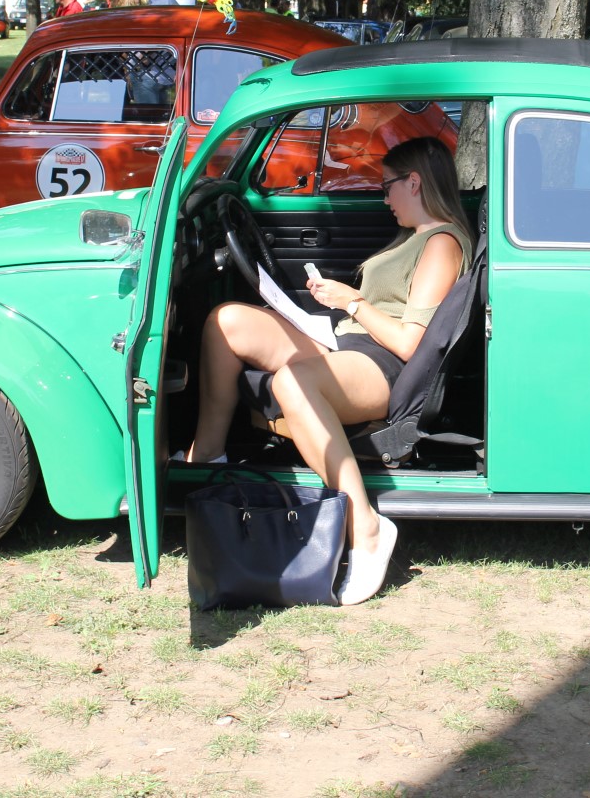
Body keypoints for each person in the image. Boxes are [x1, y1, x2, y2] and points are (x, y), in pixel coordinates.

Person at [180, 136, 470, 605]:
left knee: (292, 381)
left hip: (383, 366)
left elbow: (410, 343)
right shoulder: (414, 238)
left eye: (388, 187)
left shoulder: (440, 244)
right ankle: (207, 458)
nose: (384, 197)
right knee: (227, 323)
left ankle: (367, 527)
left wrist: (351, 300)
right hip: (348, 342)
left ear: (414, 183)